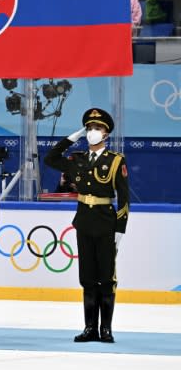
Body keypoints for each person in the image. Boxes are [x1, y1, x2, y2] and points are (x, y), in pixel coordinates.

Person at [44, 108, 129, 343]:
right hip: (84, 222)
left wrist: (120, 229)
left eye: (97, 129)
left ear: (106, 134)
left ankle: (106, 329)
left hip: (105, 223)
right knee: (88, 277)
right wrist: (72, 137)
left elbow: (123, 198)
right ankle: (90, 328)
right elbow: (50, 158)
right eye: (89, 128)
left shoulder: (115, 161)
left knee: (106, 278)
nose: (92, 132)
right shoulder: (77, 160)